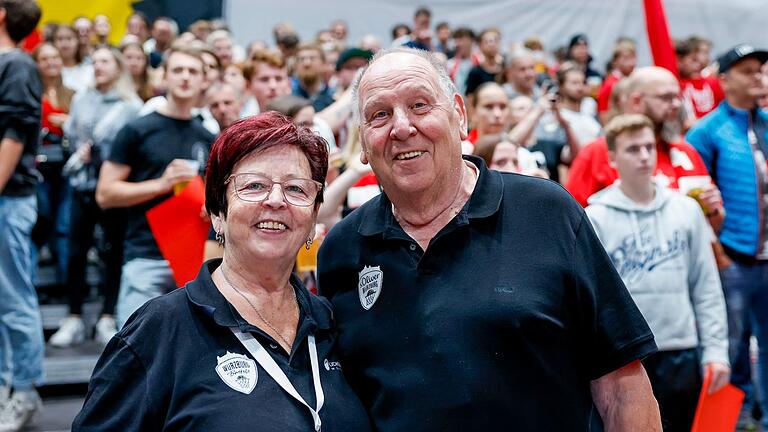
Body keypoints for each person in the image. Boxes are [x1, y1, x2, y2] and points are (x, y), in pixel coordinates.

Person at [318, 47, 661, 431]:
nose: (401, 127)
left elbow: (622, 387)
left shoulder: (547, 211)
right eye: (379, 114)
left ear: (459, 116)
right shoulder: (341, 250)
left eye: (419, 105)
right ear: (362, 142)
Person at [73, 112, 371, 431]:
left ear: (313, 218)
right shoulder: (159, 332)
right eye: (254, 185)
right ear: (217, 213)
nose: (276, 200)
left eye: (296, 189)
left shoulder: (332, 325)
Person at [586, 114, 730, 431]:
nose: (644, 156)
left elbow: (705, 286)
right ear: (611, 157)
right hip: (627, 358)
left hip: (682, 350)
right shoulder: (595, 218)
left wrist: (716, 351)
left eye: (649, 147)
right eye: (632, 149)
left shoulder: (686, 210)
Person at [96, 45, 215, 328]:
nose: (185, 77)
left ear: (203, 80)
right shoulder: (138, 130)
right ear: (164, 76)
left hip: (193, 259)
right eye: (178, 70)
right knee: (137, 355)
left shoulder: (209, 137)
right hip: (145, 255)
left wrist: (214, 207)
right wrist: (161, 185)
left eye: (192, 71)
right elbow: (105, 194)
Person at [685, 44, 768, 431]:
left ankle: (762, 417)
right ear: (724, 80)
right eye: (748, 70)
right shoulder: (707, 131)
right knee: (729, 346)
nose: (758, 76)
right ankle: (727, 422)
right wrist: (719, 253)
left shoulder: (765, 123)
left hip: (764, 257)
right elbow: (695, 198)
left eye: (761, 69)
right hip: (731, 256)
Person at [51, 46, 143, 347]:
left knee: (113, 252)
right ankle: (74, 315)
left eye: (105, 61)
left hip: (113, 188)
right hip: (83, 184)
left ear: (118, 67)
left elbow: (132, 148)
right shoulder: (81, 98)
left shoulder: (130, 106)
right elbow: (74, 136)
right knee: (76, 251)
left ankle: (107, 315)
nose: (98, 66)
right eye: (95, 61)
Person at [565, 67, 720, 213]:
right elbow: (570, 222)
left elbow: (715, 222)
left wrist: (713, 212)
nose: (676, 105)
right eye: (666, 97)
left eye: (678, 97)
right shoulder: (598, 153)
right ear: (636, 101)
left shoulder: (687, 152)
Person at [0, 1, 44, 430]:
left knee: (13, 296)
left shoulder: (16, 65)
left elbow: (16, 129)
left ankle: (26, 390)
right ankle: (5, 387)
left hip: (8, 199)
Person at [32, 42, 75, 287]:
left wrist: (67, 121)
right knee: (42, 218)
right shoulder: (30, 91)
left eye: (55, 57)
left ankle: (64, 283)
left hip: (67, 167)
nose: (51, 63)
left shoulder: (71, 94)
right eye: (45, 58)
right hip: (37, 167)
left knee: (64, 225)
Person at [597, 39, 636, 125]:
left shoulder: (635, 80)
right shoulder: (610, 84)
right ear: (615, 62)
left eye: (633, 57)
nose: (631, 63)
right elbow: (603, 115)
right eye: (626, 58)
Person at [52, 24, 93, 92]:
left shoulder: (90, 69)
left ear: (77, 41)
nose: (64, 43)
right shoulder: (48, 71)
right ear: (54, 43)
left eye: (69, 38)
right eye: (60, 39)